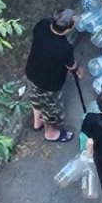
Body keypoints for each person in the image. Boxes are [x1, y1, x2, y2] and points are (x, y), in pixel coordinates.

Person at [25, 9, 83, 142]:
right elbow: (70, 65)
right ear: (67, 29)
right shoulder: (64, 47)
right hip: (49, 82)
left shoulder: (42, 25)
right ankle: (50, 132)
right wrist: (78, 69)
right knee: (51, 109)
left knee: (36, 95)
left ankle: (37, 123)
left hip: (32, 71)